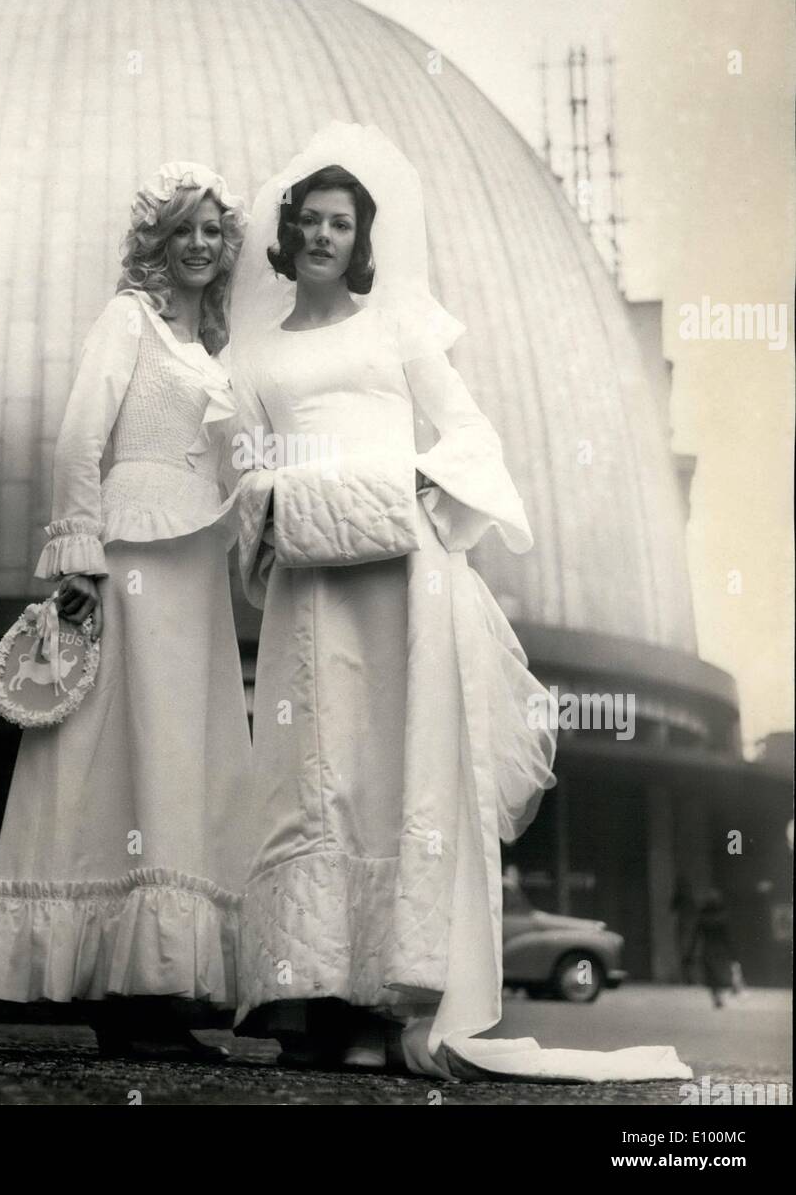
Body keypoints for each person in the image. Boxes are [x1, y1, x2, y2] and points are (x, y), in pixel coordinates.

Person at [226, 123, 692, 1083]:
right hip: (315, 585)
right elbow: (244, 462)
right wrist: (277, 501)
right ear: (286, 234)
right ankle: (310, 995)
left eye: (341, 224)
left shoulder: (397, 327)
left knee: (401, 776)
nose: (322, 237)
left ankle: (392, 998)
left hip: (401, 578)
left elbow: (469, 432)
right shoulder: (255, 353)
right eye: (308, 221)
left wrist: (416, 497)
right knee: (319, 774)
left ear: (363, 241)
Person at [0, 163, 252, 1061]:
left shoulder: (212, 348)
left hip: (194, 567)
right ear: (155, 241)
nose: (198, 244)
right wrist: (78, 552)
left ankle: (153, 982)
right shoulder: (128, 320)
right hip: (131, 557)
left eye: (212, 231)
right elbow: (82, 433)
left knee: (180, 755)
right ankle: (124, 998)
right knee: (124, 752)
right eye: (182, 230)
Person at [687, 889, 738, 1009]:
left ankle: (716, 995)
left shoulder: (702, 918)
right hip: (721, 950)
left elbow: (695, 937)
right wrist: (733, 952)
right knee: (721, 972)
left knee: (711, 975)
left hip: (708, 949)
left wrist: (690, 952)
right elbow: (728, 938)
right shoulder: (723, 918)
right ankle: (729, 988)